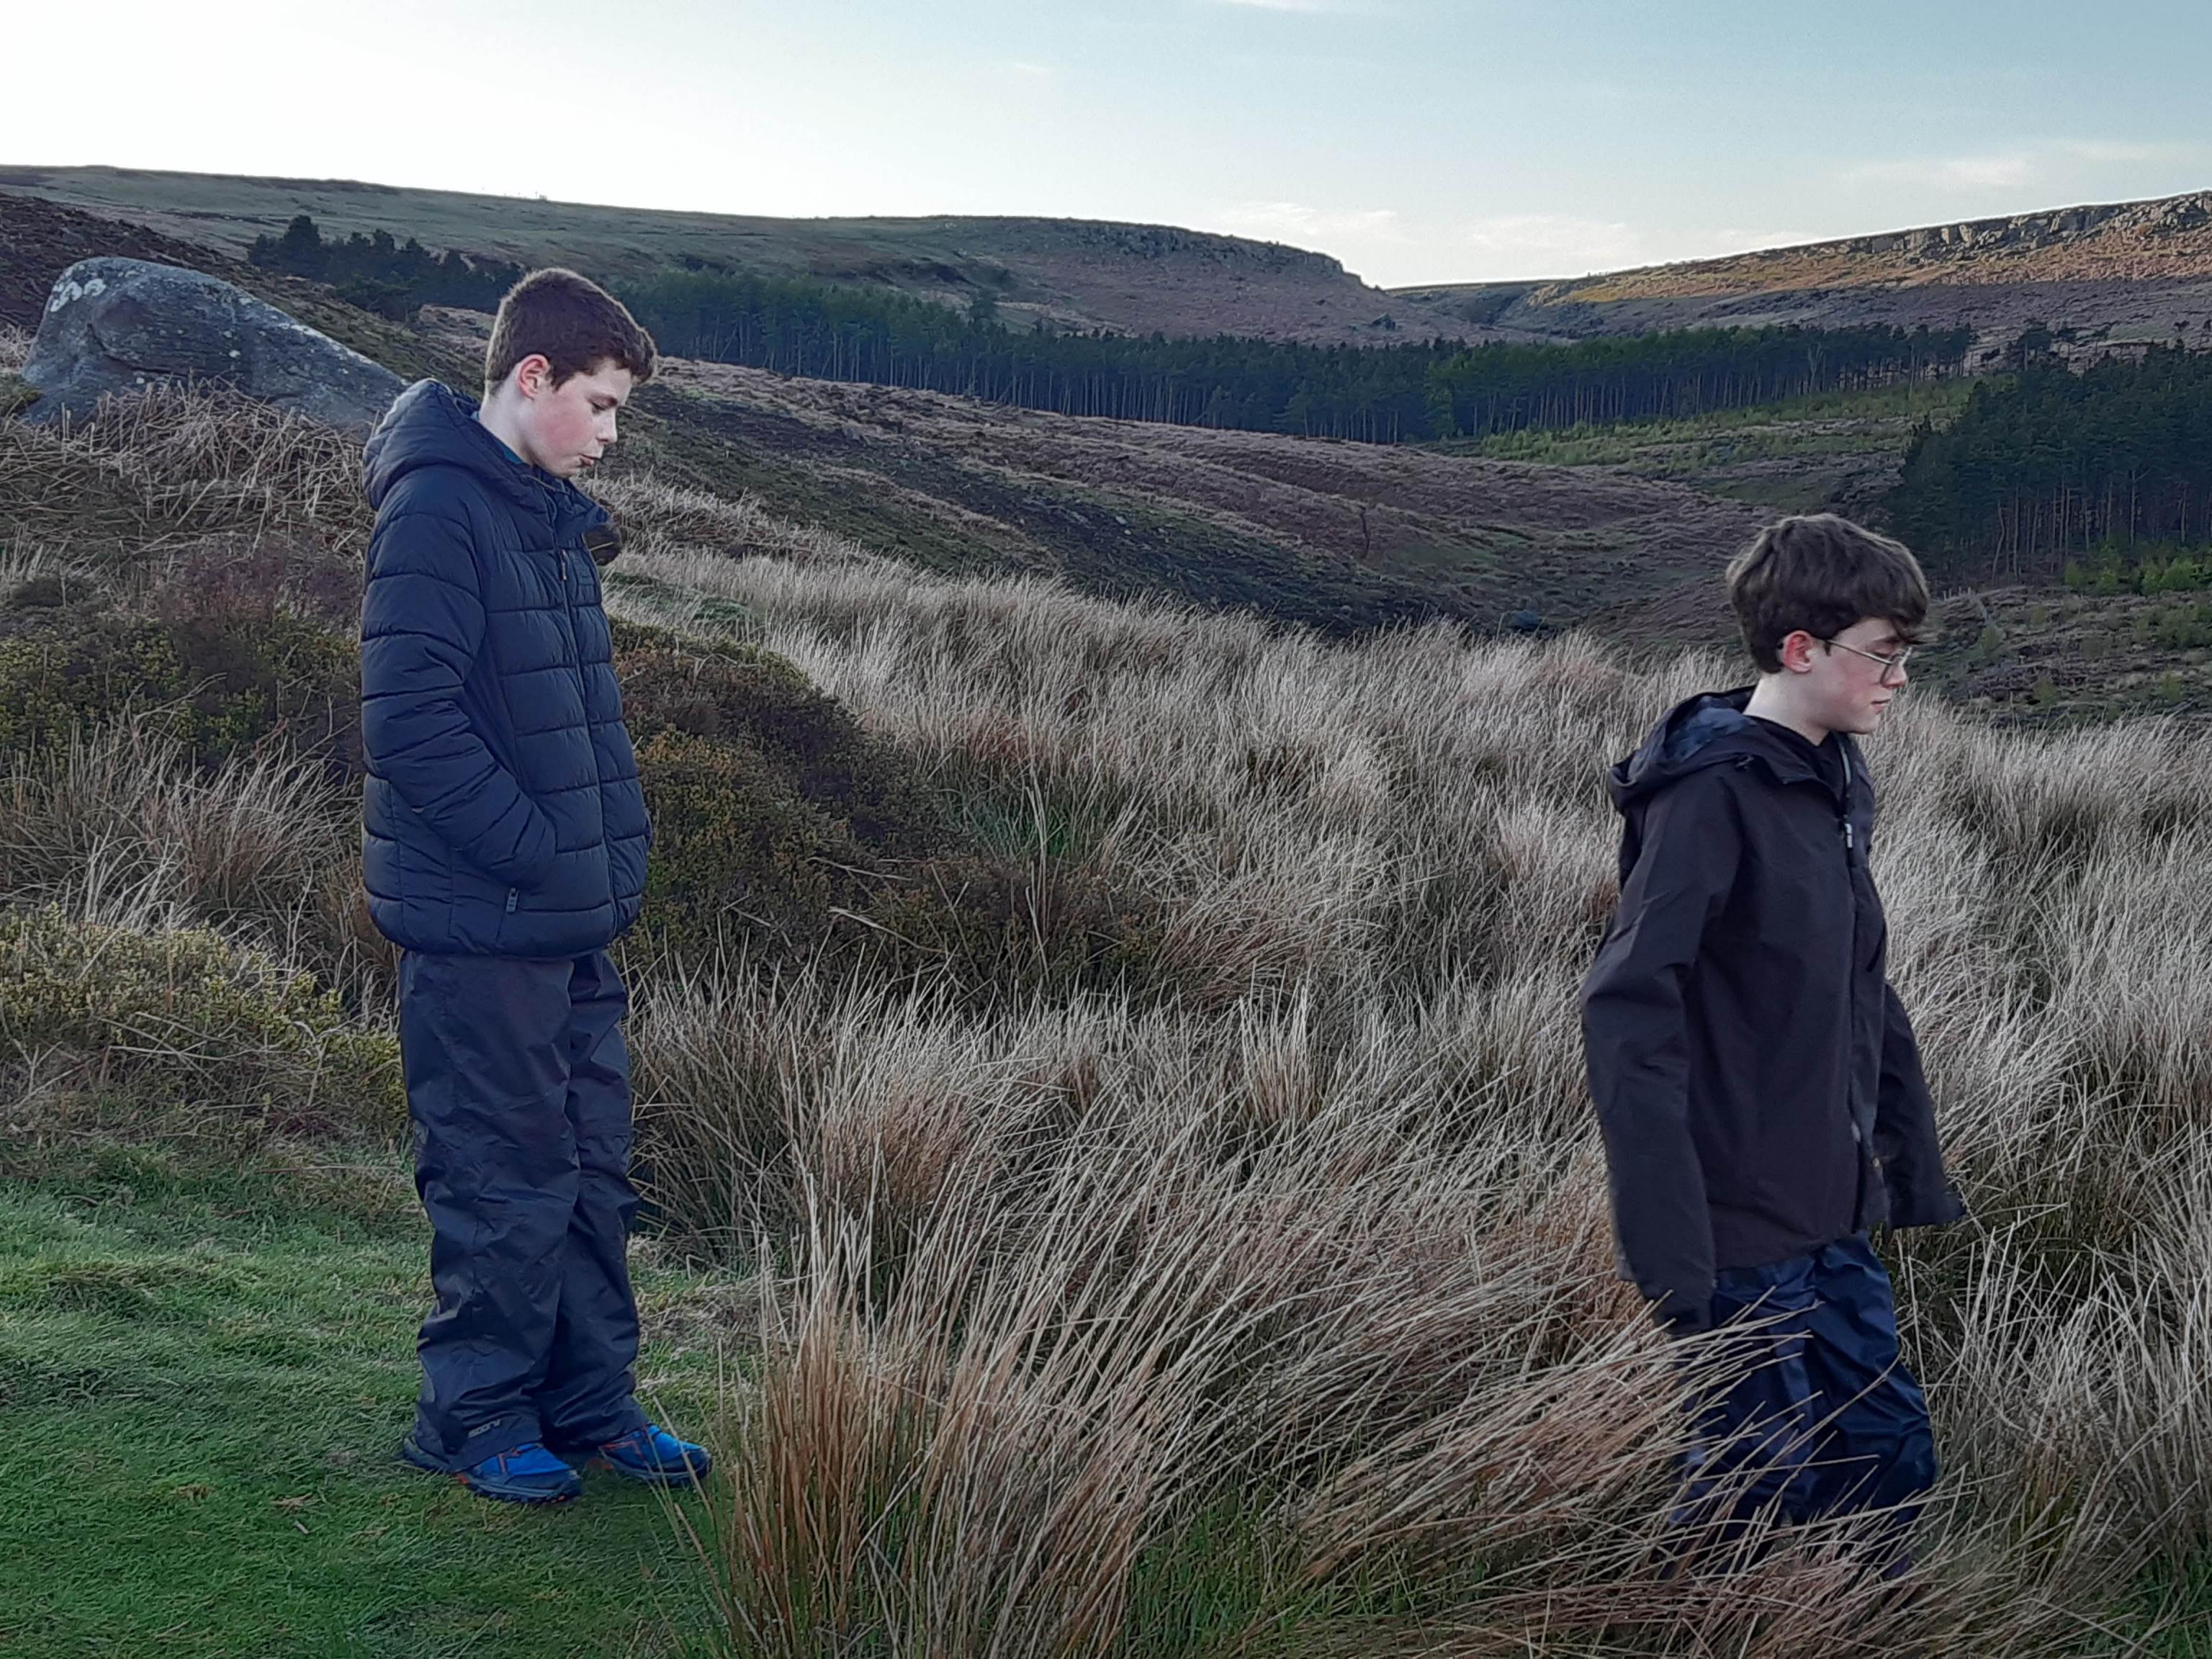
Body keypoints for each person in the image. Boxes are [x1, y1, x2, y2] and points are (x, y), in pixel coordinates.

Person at [359, 269, 708, 1504]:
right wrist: (545, 854)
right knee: (500, 1172)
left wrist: (597, 863)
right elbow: (410, 726)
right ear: (533, 378)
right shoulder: (441, 510)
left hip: (564, 923)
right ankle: (478, 1419)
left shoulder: (540, 515)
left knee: (589, 1168)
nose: (611, 436)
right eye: (604, 407)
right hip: (482, 927)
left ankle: (590, 1407)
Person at [1581, 513, 1963, 1549]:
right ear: (1802, 648)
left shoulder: (1831, 778)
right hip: (1735, 1215)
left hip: (1826, 1203)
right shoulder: (1714, 795)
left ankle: (1861, 1623)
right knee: (1754, 1481)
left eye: (1906, 656)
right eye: (1884, 654)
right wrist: (1668, 1236)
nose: (1900, 679)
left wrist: (1899, 1158)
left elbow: (1856, 982)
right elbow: (1627, 1006)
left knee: (1884, 1455)